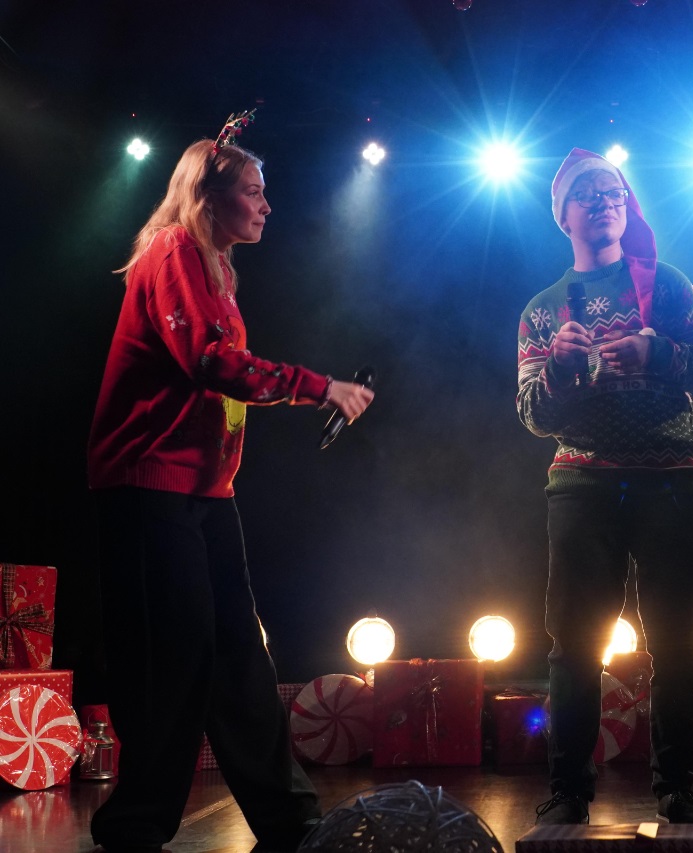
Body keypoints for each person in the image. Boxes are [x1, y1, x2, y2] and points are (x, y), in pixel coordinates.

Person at [86, 113, 374, 853]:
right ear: (208, 197)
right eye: (253, 191)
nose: (267, 205)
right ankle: (135, 824)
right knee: (176, 658)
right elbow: (212, 364)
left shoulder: (215, 267)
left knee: (240, 655)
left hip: (204, 493)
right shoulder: (174, 250)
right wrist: (318, 386)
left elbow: (221, 385)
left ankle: (288, 820)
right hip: (150, 488)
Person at [517, 148, 693, 826]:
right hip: (584, 479)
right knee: (575, 642)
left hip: (674, 476)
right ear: (564, 216)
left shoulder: (666, 284)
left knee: (679, 638)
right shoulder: (543, 311)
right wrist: (560, 369)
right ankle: (568, 790)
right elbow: (534, 416)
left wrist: (655, 351)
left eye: (614, 192)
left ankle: (677, 786)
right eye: (588, 194)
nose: (606, 202)